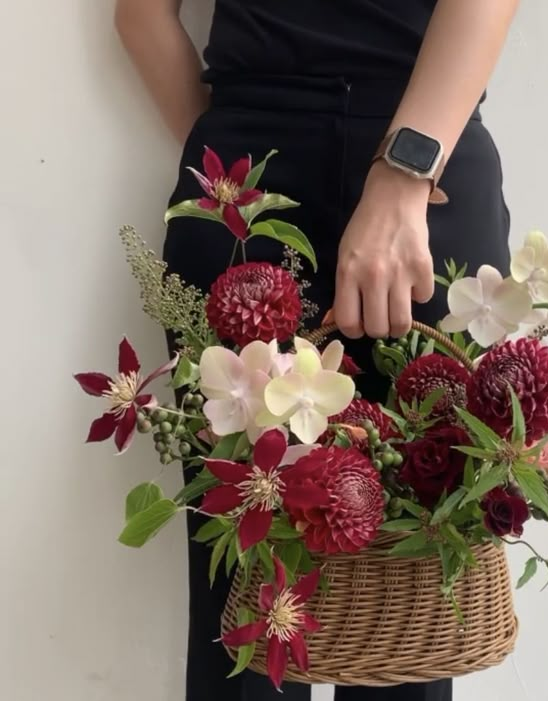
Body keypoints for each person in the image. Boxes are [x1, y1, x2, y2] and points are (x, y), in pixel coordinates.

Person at [114, 1, 519, 699]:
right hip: (398, 178)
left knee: (295, 603)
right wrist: (229, 176)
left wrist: (390, 174)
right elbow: (141, 14)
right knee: (392, 603)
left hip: (400, 175)